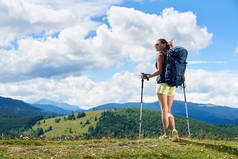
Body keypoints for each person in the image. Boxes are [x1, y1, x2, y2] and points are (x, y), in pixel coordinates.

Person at [141, 38, 179, 141]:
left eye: (157, 44)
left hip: (162, 84)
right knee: (169, 110)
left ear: (163, 44)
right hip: (172, 85)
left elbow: (159, 71)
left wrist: (148, 76)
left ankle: (166, 135)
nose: (155, 46)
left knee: (164, 110)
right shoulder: (172, 55)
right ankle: (174, 129)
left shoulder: (160, 55)